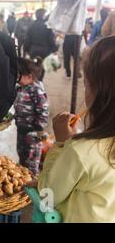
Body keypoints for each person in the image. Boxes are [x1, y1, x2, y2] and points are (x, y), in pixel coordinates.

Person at [38, 36, 115, 222]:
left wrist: (61, 144)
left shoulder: (80, 151)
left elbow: (47, 198)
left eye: (87, 84)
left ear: (102, 92)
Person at [14, 57, 49, 176]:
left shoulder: (37, 91)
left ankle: (31, 185)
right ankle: (23, 181)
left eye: (19, 76)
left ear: (29, 76)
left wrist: (39, 129)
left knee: (32, 161)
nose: (17, 79)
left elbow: (43, 111)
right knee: (22, 155)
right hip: (22, 130)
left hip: (33, 133)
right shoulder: (21, 88)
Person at [24, 8, 57, 79]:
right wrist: (54, 49)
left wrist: (26, 49)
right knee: (42, 68)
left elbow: (27, 39)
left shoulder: (31, 25)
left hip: (33, 50)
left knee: (33, 66)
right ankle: (40, 81)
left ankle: (34, 80)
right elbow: (51, 39)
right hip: (45, 51)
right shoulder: (47, 26)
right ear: (43, 16)